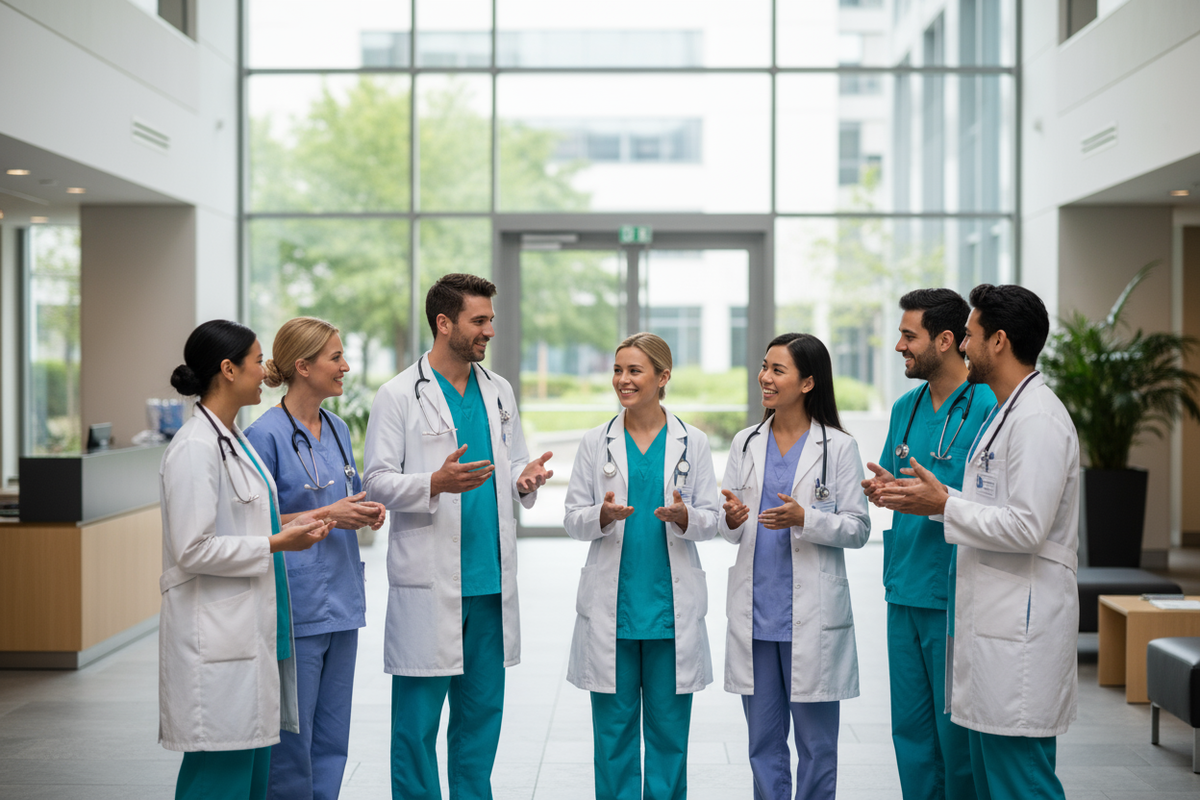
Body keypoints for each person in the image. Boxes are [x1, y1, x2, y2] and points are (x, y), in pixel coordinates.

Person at [876, 284, 1079, 800]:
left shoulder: (1035, 418)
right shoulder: (1013, 412)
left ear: (999, 341)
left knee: (1017, 781)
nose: (964, 345)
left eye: (969, 335)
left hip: (1016, 629)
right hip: (980, 615)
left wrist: (944, 504)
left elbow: (1028, 526)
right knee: (989, 774)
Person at [363, 273, 554, 800]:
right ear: (444, 323)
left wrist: (524, 476)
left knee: (480, 717)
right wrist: (433, 483)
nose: (489, 330)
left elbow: (512, 458)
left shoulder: (499, 390)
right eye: (479, 320)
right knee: (417, 726)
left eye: (491, 319)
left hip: (489, 582)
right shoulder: (399, 394)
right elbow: (375, 480)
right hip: (429, 583)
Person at [158, 319, 334, 800]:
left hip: (248, 635)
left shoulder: (231, 440)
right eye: (257, 361)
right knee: (219, 781)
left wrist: (285, 530)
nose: (265, 371)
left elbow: (244, 525)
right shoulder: (195, 448)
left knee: (252, 777)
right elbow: (192, 548)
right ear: (228, 369)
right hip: (216, 641)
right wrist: (277, 543)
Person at [563, 333, 720, 800]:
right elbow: (573, 518)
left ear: (662, 377)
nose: (623, 380)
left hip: (670, 613)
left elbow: (712, 519)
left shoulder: (694, 442)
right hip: (614, 612)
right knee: (613, 739)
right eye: (618, 370)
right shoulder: (597, 442)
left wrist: (687, 517)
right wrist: (601, 516)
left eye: (634, 371)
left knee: (670, 738)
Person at [719, 333, 871, 800]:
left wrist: (808, 519)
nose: (764, 377)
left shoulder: (839, 447)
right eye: (764, 366)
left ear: (807, 382)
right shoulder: (746, 443)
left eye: (777, 370)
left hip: (813, 617)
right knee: (762, 743)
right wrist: (730, 519)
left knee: (817, 745)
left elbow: (859, 528)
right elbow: (727, 524)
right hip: (757, 615)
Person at [243, 317, 386, 800]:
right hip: (296, 604)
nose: (346, 366)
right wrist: (331, 511)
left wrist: (364, 511)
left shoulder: (338, 427)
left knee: (331, 737)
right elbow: (255, 525)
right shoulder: (263, 436)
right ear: (302, 367)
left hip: (342, 598)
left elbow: (341, 497)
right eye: (335, 357)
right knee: (293, 739)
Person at [861, 289, 995, 800]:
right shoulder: (906, 407)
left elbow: (994, 500)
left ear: (946, 340)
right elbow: (895, 478)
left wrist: (940, 498)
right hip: (905, 587)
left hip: (955, 592)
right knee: (911, 732)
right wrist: (881, 489)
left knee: (954, 735)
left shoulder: (988, 406)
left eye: (908, 335)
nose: (899, 346)